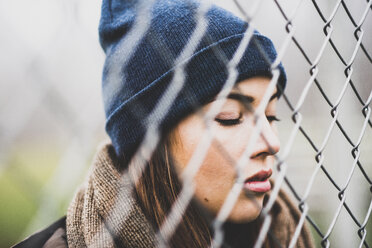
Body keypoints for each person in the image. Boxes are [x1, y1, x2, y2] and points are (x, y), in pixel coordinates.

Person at [13, 0, 315, 247]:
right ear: (150, 140)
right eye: (230, 117)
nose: (272, 143)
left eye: (271, 115)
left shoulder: (284, 231)